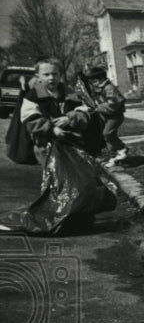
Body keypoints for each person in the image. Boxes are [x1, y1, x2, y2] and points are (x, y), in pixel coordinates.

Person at [0, 57, 115, 235]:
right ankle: (55, 217)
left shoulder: (69, 92)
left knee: (81, 179)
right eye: (46, 74)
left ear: (60, 75)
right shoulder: (33, 96)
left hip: (74, 145)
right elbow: (29, 120)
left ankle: (82, 217)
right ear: (38, 76)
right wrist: (51, 129)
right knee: (57, 182)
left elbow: (85, 112)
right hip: (46, 146)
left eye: (54, 74)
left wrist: (70, 118)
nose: (51, 78)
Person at [81, 66, 127, 167]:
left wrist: (97, 108)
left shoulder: (109, 88)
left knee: (107, 133)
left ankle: (122, 148)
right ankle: (114, 156)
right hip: (108, 115)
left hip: (115, 116)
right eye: (91, 82)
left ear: (102, 79)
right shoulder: (101, 88)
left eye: (94, 81)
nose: (93, 84)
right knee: (108, 137)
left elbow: (113, 104)